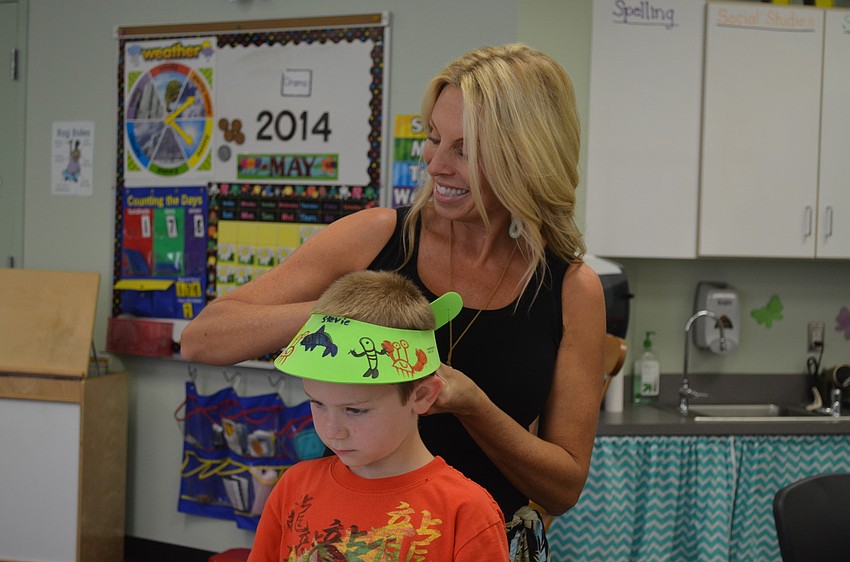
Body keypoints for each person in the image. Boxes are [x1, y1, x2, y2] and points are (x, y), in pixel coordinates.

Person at [181, 42, 605, 538]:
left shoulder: (571, 290)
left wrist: (474, 406)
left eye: (465, 150)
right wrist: (340, 312)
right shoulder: (375, 237)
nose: (435, 164)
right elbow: (202, 339)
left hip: (480, 542)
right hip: (349, 538)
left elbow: (562, 489)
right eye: (433, 138)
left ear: (528, 157)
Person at [247, 270, 509, 561]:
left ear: (421, 396)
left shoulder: (466, 511)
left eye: (355, 410)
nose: (332, 431)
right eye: (317, 403)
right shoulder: (294, 487)